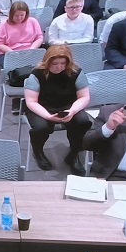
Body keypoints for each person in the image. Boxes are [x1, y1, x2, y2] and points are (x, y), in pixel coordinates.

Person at [23, 45, 93, 173]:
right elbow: (31, 102)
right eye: (55, 64)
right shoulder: (37, 74)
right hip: (42, 108)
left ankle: (73, 154)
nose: (59, 67)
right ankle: (38, 151)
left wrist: (72, 111)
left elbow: (84, 97)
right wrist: (48, 117)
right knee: (40, 127)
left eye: (63, 63)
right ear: (47, 61)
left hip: (69, 107)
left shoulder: (76, 72)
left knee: (83, 122)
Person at [0, 2, 44, 68]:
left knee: (41, 66)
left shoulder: (33, 21)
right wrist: (12, 52)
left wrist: (32, 49)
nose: (19, 18)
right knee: (17, 68)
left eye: (22, 15)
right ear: (11, 15)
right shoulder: (3, 25)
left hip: (30, 51)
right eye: (16, 16)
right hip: (9, 53)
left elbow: (39, 38)